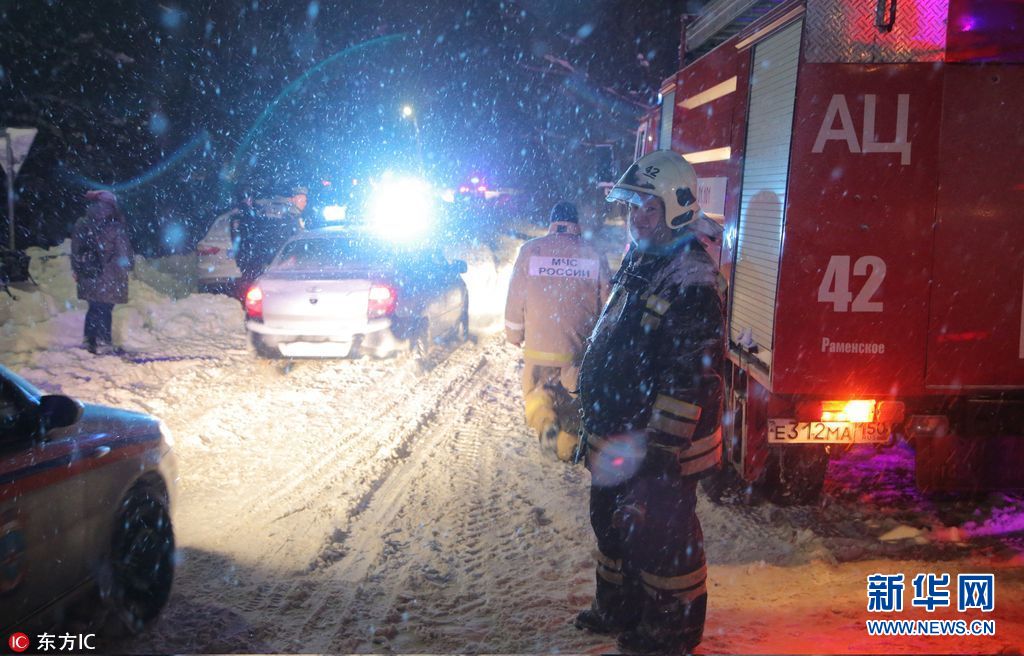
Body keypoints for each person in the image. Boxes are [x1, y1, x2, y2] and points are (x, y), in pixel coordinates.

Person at [573, 150, 725, 653]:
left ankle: (671, 632)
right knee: (611, 523)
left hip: (658, 446)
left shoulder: (691, 277)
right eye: (632, 206)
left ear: (676, 210)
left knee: (663, 538)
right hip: (621, 435)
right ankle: (618, 608)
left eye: (648, 207)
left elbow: (689, 377)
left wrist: (662, 452)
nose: (636, 217)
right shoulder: (645, 255)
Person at [504, 201, 610, 461]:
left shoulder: (530, 250)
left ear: (552, 223)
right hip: (577, 349)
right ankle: (569, 445)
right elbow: (608, 301)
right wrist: (603, 342)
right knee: (574, 400)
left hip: (539, 348)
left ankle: (546, 423)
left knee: (537, 394)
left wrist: (514, 333)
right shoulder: (593, 253)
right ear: (576, 224)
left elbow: (516, 295)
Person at [71, 190, 134, 355]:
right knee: (105, 307)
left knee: (93, 307)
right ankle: (103, 341)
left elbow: (75, 249)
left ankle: (89, 340)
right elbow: (123, 253)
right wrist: (126, 268)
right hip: (110, 275)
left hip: (88, 273)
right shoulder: (115, 226)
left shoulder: (82, 224)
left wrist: (77, 269)